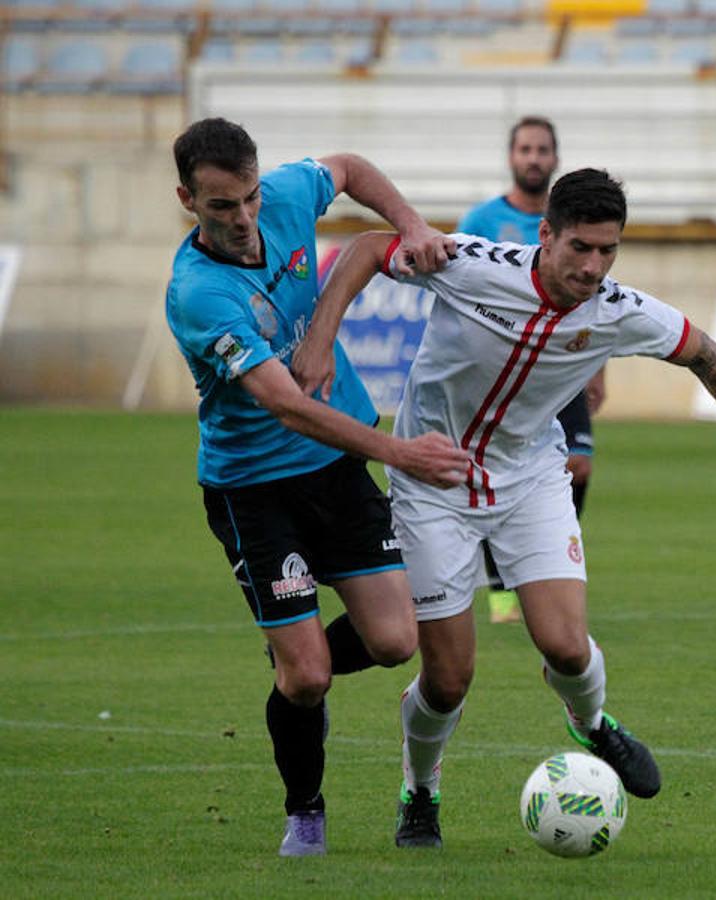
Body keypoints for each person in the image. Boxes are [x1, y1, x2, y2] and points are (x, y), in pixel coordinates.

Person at [296, 167, 716, 848]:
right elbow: (367, 248)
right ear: (546, 236)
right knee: (449, 679)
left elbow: (706, 356)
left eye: (608, 251)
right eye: (580, 248)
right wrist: (320, 339)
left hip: (530, 480)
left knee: (567, 646)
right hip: (432, 482)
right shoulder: (475, 266)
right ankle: (420, 793)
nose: (593, 267)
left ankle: (593, 724)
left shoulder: (619, 309)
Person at [164, 117, 471, 856]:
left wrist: (411, 223)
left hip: (333, 473)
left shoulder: (287, 194)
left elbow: (352, 166)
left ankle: (297, 649)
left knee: (397, 642)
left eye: (245, 200)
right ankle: (305, 808)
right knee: (306, 682)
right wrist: (400, 450)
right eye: (219, 208)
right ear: (185, 200)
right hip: (253, 489)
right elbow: (288, 404)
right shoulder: (200, 294)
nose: (241, 220)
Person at [458, 115, 605, 625]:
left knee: (579, 465)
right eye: (525, 149)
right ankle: (502, 588)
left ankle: (540, 568)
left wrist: (596, 366)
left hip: (561, 372)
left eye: (543, 149)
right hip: (504, 375)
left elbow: (595, 302)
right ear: (511, 157)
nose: (534, 158)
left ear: (556, 159)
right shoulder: (480, 221)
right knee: (499, 473)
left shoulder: (577, 226)